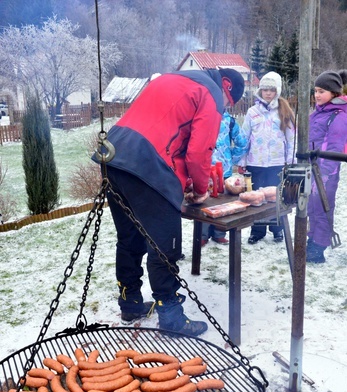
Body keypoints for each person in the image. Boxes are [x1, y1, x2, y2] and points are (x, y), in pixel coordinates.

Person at [93, 68, 245, 336]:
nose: (223, 109)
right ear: (226, 85)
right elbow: (199, 152)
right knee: (165, 244)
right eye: (228, 103)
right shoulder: (209, 93)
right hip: (147, 165)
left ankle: (130, 303)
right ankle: (171, 315)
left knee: (130, 239)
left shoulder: (170, 78)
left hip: (114, 156)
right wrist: (200, 190)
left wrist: (182, 179)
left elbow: (166, 131)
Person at [237, 71, 296, 244]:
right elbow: (244, 138)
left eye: (271, 89)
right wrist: (243, 161)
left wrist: (290, 162)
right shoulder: (252, 112)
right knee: (256, 199)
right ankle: (257, 230)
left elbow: (291, 138)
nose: (268, 93)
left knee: (275, 197)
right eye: (265, 90)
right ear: (260, 91)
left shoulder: (284, 111)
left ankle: (277, 229)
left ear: (277, 90)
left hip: (277, 163)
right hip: (256, 163)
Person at [306, 70, 347, 263]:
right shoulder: (317, 113)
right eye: (315, 90)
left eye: (322, 91)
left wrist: (325, 173)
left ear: (334, 93)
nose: (317, 95)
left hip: (325, 172)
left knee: (323, 207)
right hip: (310, 168)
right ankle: (312, 239)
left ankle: (318, 248)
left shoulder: (338, 115)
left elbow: (335, 147)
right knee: (311, 207)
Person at [201, 109, 248, 246]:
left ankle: (220, 233)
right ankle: (203, 235)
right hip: (204, 169)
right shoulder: (201, 116)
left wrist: (231, 158)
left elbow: (242, 142)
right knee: (203, 201)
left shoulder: (229, 121)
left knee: (223, 202)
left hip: (224, 169)